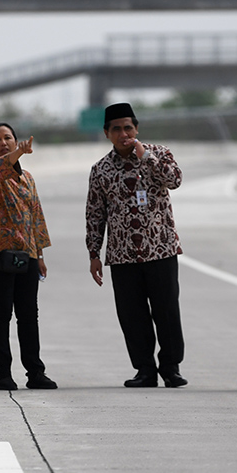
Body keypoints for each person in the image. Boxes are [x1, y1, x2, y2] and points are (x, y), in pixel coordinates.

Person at [85, 102, 188, 389]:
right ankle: (144, 369)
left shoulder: (159, 154)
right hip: (122, 255)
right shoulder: (101, 170)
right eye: (116, 129)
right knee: (132, 316)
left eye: (128, 127)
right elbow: (95, 213)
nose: (123, 134)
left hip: (161, 249)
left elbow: (174, 180)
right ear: (107, 133)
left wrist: (146, 156)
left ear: (137, 128)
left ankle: (171, 367)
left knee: (166, 310)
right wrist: (94, 252)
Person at [0, 122, 58, 391]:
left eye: (8, 138)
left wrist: (41, 255)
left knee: (28, 314)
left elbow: (37, 216)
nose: (3, 142)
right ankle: (2, 372)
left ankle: (35, 371)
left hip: (28, 254)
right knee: (0, 314)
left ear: (16, 140)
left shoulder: (28, 178)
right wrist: (18, 154)